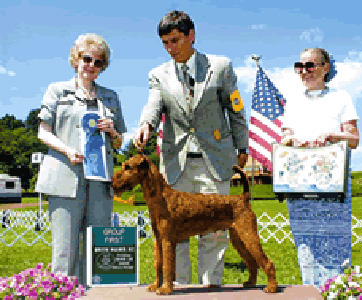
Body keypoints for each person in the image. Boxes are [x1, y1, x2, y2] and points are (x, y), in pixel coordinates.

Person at [133, 11, 248, 287]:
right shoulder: (158, 74)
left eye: (175, 41)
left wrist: (242, 147)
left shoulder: (220, 66)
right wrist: (145, 126)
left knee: (215, 234)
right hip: (175, 164)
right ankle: (179, 287)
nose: (170, 48)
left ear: (191, 36)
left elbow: (236, 109)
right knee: (173, 234)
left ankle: (211, 287)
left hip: (215, 160)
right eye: (165, 43)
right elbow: (153, 106)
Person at [35, 33, 126, 289]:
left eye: (98, 62)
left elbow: (119, 142)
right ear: (76, 59)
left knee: (97, 249)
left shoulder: (111, 97)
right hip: (64, 176)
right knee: (64, 251)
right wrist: (67, 150)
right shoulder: (57, 90)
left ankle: (95, 294)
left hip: (100, 180)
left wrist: (113, 132)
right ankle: (62, 293)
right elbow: (43, 131)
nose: (91, 66)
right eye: (87, 59)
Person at [281, 47, 359, 287]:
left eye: (311, 65)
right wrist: (294, 141)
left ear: (325, 67)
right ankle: (310, 290)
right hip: (299, 182)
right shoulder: (293, 102)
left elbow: (354, 139)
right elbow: (284, 136)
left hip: (332, 183)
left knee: (335, 242)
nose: (305, 71)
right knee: (306, 244)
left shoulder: (341, 98)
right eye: (300, 66)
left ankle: (336, 289)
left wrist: (331, 136)